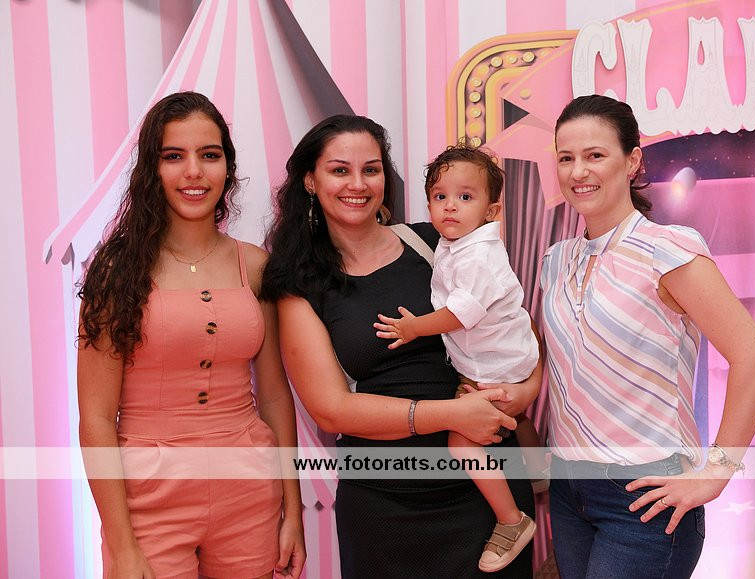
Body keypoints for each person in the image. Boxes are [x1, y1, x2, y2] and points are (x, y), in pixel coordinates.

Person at [261, 114, 542, 578]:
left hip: (486, 500)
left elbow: (517, 326)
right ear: (310, 180)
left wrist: (525, 390)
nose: (358, 184)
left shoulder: (438, 241)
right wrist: (451, 415)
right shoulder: (299, 283)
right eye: (340, 170)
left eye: (371, 169)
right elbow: (331, 410)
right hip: (383, 505)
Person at [540, 94, 755, 578]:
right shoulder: (555, 259)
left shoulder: (667, 249)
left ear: (632, 161)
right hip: (568, 489)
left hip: (647, 494)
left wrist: (716, 472)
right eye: (566, 158)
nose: (578, 171)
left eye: (595, 155)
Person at [77, 91, 305, 578]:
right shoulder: (116, 272)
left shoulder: (255, 265)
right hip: (147, 500)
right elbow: (95, 418)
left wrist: (294, 512)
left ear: (228, 166)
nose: (194, 172)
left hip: (249, 492)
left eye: (209, 155)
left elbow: (273, 396)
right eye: (174, 156)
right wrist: (121, 545)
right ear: (151, 169)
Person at [373, 143, 539, 572]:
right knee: (511, 418)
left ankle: (512, 521)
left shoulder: (479, 255)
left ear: (491, 211)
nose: (450, 206)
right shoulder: (456, 244)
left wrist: (413, 328)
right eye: (440, 196)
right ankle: (538, 471)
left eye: (465, 197)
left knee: (461, 445)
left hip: (498, 366)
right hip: (498, 357)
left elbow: (460, 314)